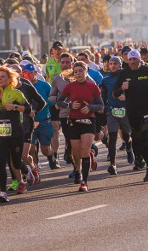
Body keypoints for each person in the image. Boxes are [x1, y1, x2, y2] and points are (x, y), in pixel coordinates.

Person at [113, 50, 148, 181]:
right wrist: (122, 89)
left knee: (144, 137)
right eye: (130, 60)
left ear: (139, 60)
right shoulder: (124, 73)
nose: (132, 62)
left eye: (134, 60)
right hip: (132, 110)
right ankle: (138, 159)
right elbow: (114, 92)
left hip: (147, 110)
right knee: (135, 137)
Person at [57, 62, 104, 191]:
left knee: (84, 149)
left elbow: (101, 106)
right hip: (73, 121)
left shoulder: (93, 86)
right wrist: (70, 105)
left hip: (89, 120)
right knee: (76, 152)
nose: (78, 73)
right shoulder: (70, 87)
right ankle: (78, 169)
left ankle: (84, 181)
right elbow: (59, 101)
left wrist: (90, 107)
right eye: (76, 71)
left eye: (80, 71)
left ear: (86, 71)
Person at [0, 66, 30, 202]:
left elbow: (28, 109)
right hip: (0, 134)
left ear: (9, 79)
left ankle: (27, 171)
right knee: (2, 163)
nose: (0, 79)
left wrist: (15, 107)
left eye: (3, 76)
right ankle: (3, 193)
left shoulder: (16, 93)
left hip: (16, 133)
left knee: (15, 161)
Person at [100, 56, 134, 175]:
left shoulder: (126, 78)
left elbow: (135, 92)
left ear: (120, 65)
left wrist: (127, 97)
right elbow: (103, 96)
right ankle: (113, 164)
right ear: (108, 65)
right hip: (111, 111)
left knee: (126, 135)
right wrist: (103, 107)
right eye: (111, 63)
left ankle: (129, 149)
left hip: (125, 110)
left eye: (115, 63)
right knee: (112, 137)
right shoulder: (105, 80)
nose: (113, 65)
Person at [24, 63, 58, 169]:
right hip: (29, 122)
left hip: (44, 121)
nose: (28, 75)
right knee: (31, 148)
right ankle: (35, 168)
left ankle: (51, 155)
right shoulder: (22, 86)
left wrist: (45, 102)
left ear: (35, 73)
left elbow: (53, 99)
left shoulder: (44, 85)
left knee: (45, 150)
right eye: (25, 73)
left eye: (30, 73)